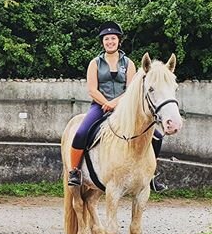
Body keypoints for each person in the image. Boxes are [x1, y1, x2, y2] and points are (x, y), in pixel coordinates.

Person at [67, 21, 167, 191]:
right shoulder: (95, 63)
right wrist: (105, 103)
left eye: (113, 38)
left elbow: (131, 89)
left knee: (157, 135)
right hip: (99, 106)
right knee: (81, 133)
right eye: (106, 39)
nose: (110, 42)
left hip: (124, 108)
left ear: (119, 41)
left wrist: (115, 103)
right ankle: (75, 172)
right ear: (102, 42)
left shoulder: (128, 63)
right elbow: (92, 89)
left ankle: (150, 175)